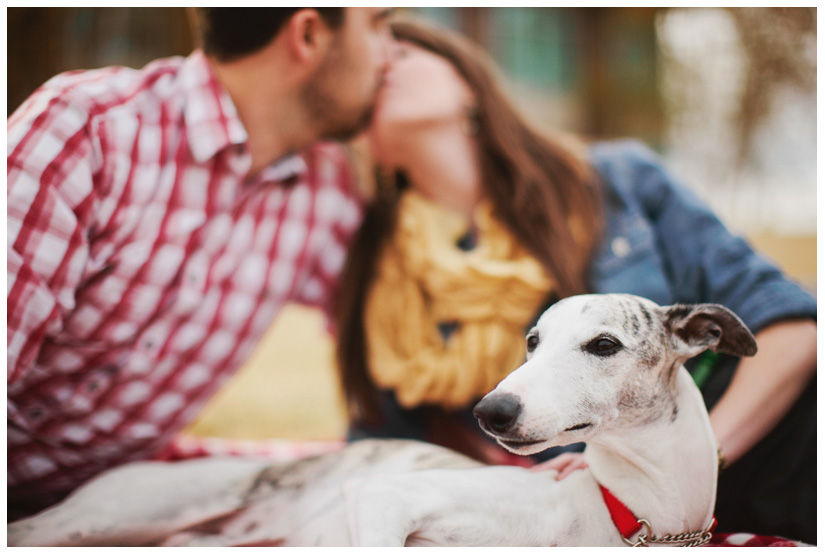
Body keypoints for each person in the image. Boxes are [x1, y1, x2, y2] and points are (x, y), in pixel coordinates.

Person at [334, 20, 817, 543]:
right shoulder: (385, 283)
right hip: (610, 522)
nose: (382, 58)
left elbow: (791, 328)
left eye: (401, 51)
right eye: (369, 58)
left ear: (467, 81)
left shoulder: (618, 179)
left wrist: (699, 462)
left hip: (790, 459)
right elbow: (384, 454)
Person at [7, 7, 395, 520]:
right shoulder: (89, 132)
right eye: (379, 25)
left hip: (115, 496)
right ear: (308, 33)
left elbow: (401, 354)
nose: (392, 53)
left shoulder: (327, 193)